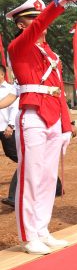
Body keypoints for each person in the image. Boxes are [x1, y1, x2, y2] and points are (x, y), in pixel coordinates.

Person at [7, 0, 77, 254]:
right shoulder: (18, 46)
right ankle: (29, 236)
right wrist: (60, 3)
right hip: (33, 116)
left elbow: (59, 89)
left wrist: (66, 124)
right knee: (32, 177)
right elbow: (39, 25)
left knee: (49, 178)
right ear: (21, 24)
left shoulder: (50, 54)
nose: (41, 22)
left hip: (53, 116)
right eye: (34, 18)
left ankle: (42, 229)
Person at [0, 65, 19, 208]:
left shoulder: (10, 90)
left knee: (15, 155)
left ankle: (54, 181)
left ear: (2, 75)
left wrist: (11, 125)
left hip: (5, 129)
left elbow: (14, 108)